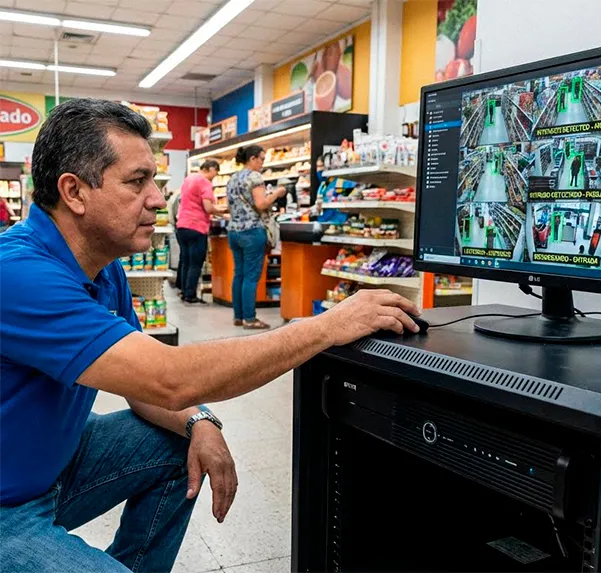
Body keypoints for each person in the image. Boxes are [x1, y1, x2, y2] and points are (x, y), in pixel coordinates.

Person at [0, 99, 420, 573]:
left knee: (180, 441)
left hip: (52, 466)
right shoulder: (17, 275)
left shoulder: (103, 267)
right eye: (137, 181)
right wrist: (323, 327)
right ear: (74, 192)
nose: (157, 199)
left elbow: (143, 390)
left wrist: (200, 422)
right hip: (6, 507)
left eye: (154, 181)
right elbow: (167, 378)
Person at [226, 145, 286, 329]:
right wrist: (277, 193)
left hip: (234, 231)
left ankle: (238, 316)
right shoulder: (255, 177)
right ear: (252, 159)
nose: (262, 163)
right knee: (251, 277)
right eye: (261, 159)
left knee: (239, 274)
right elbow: (261, 204)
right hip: (252, 231)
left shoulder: (233, 178)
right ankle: (250, 319)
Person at [176, 159, 224, 303]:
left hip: (182, 225)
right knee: (196, 262)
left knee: (185, 261)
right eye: (216, 172)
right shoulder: (205, 182)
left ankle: (183, 291)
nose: (215, 176)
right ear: (211, 169)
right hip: (197, 226)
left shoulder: (188, 179)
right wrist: (222, 212)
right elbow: (208, 207)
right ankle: (190, 295)